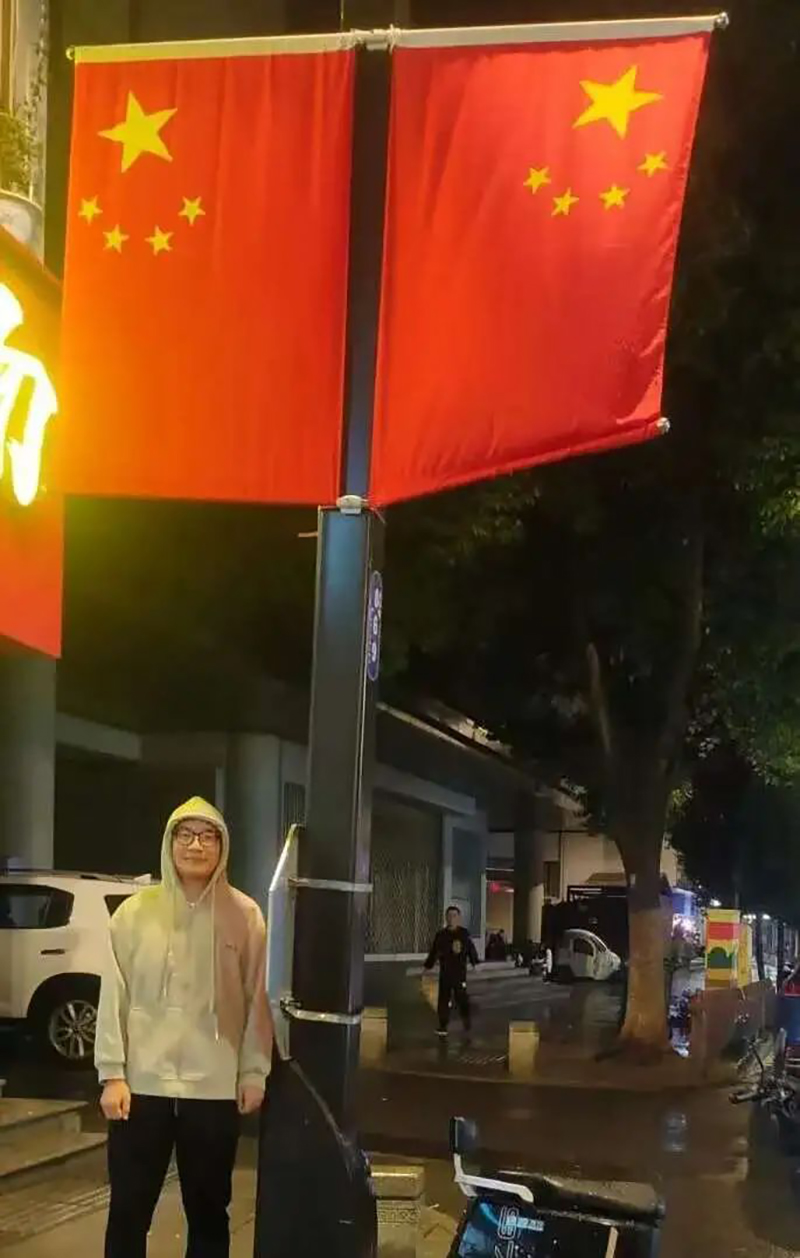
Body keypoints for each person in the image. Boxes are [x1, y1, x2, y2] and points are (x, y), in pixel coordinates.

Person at [96, 796, 272, 1258]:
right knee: (129, 1209)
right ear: (169, 842)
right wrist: (112, 1074)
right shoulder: (134, 914)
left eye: (208, 836)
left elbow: (257, 999)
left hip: (214, 1089)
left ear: (223, 846)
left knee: (209, 1211)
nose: (197, 845)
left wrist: (253, 1072)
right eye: (186, 835)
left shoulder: (245, 915)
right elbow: (115, 994)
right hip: (141, 1087)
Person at [424, 906, 479, 1038]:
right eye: (449, 916)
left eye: (454, 916)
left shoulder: (464, 934)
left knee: (462, 999)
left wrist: (475, 963)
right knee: (443, 1000)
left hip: (459, 974)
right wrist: (428, 966)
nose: (451, 918)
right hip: (445, 973)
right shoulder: (441, 935)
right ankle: (443, 1026)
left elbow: (470, 949)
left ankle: (466, 1021)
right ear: (446, 918)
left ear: (459, 918)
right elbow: (434, 952)